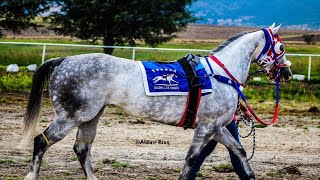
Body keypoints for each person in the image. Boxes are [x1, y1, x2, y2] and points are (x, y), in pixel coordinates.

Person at [188, 102, 252, 180]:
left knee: (204, 150)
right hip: (226, 122)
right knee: (236, 150)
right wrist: (245, 110)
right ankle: (245, 176)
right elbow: (235, 97)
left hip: (213, 121)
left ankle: (189, 174)